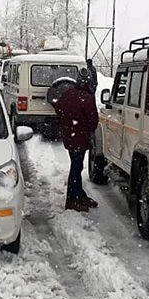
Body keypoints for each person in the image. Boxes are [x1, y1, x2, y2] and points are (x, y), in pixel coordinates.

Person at [54, 67, 100, 212]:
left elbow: (58, 109)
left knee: (76, 165)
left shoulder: (67, 94)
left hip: (69, 136)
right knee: (76, 167)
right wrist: (85, 127)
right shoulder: (87, 98)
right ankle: (72, 199)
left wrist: (67, 122)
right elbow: (93, 121)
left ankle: (79, 194)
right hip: (80, 137)